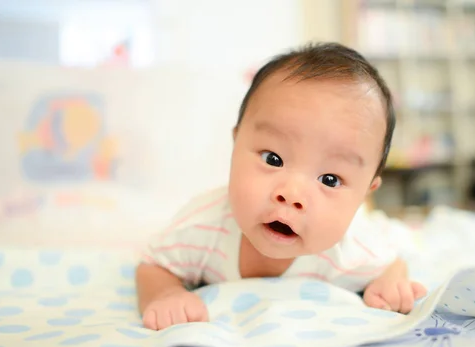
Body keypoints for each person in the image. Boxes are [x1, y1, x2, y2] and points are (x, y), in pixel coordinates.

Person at [135, 43, 427, 331]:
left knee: (394, 233)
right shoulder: (201, 228)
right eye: (273, 159)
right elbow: (154, 265)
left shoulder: (351, 250)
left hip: (370, 229)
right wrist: (166, 293)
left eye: (330, 180)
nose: (291, 194)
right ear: (236, 143)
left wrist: (391, 281)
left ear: (365, 193)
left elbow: (391, 262)